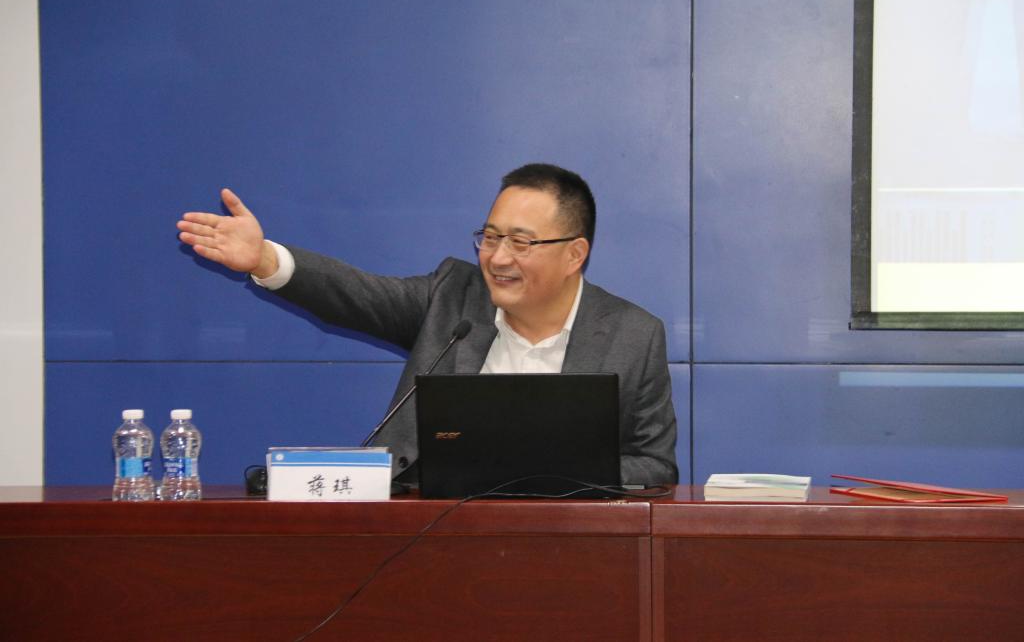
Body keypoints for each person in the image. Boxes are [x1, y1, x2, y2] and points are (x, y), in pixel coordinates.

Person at [178, 163, 677, 486]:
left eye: (521, 242)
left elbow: (656, 465)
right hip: (427, 538)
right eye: (490, 237)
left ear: (574, 254)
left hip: (568, 551)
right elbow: (356, 296)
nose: (497, 257)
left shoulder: (633, 335)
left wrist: (548, 472)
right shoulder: (451, 297)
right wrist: (266, 259)